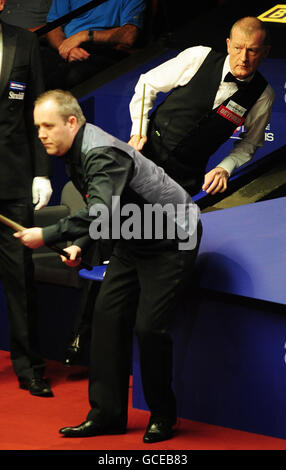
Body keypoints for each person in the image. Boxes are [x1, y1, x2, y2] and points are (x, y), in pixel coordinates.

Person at [15, 89, 202, 443]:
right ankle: (107, 416)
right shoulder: (74, 149)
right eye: (37, 126)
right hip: (133, 237)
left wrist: (48, 234)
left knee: (149, 329)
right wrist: (79, 244)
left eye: (48, 126)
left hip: (172, 236)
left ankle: (163, 414)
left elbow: (103, 212)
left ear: (72, 122)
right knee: (107, 320)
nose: (41, 133)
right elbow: (108, 210)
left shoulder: (102, 153)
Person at [128, 16, 275, 197]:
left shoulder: (262, 95)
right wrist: (138, 130)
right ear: (228, 45)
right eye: (237, 48)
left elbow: (250, 142)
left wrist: (225, 168)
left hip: (185, 179)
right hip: (145, 154)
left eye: (252, 50)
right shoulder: (198, 57)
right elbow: (147, 83)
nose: (243, 58)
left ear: (265, 52)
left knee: (157, 225)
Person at [0, 0, 53, 396]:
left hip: (14, 181)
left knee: (21, 279)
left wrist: (41, 172)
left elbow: (38, 108)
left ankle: (30, 367)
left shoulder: (25, 43)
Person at [43, 0, 146, 89]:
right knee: (36, 67)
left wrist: (86, 35)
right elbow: (53, 27)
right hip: (64, 46)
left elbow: (129, 35)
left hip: (103, 49)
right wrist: (66, 49)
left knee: (74, 75)